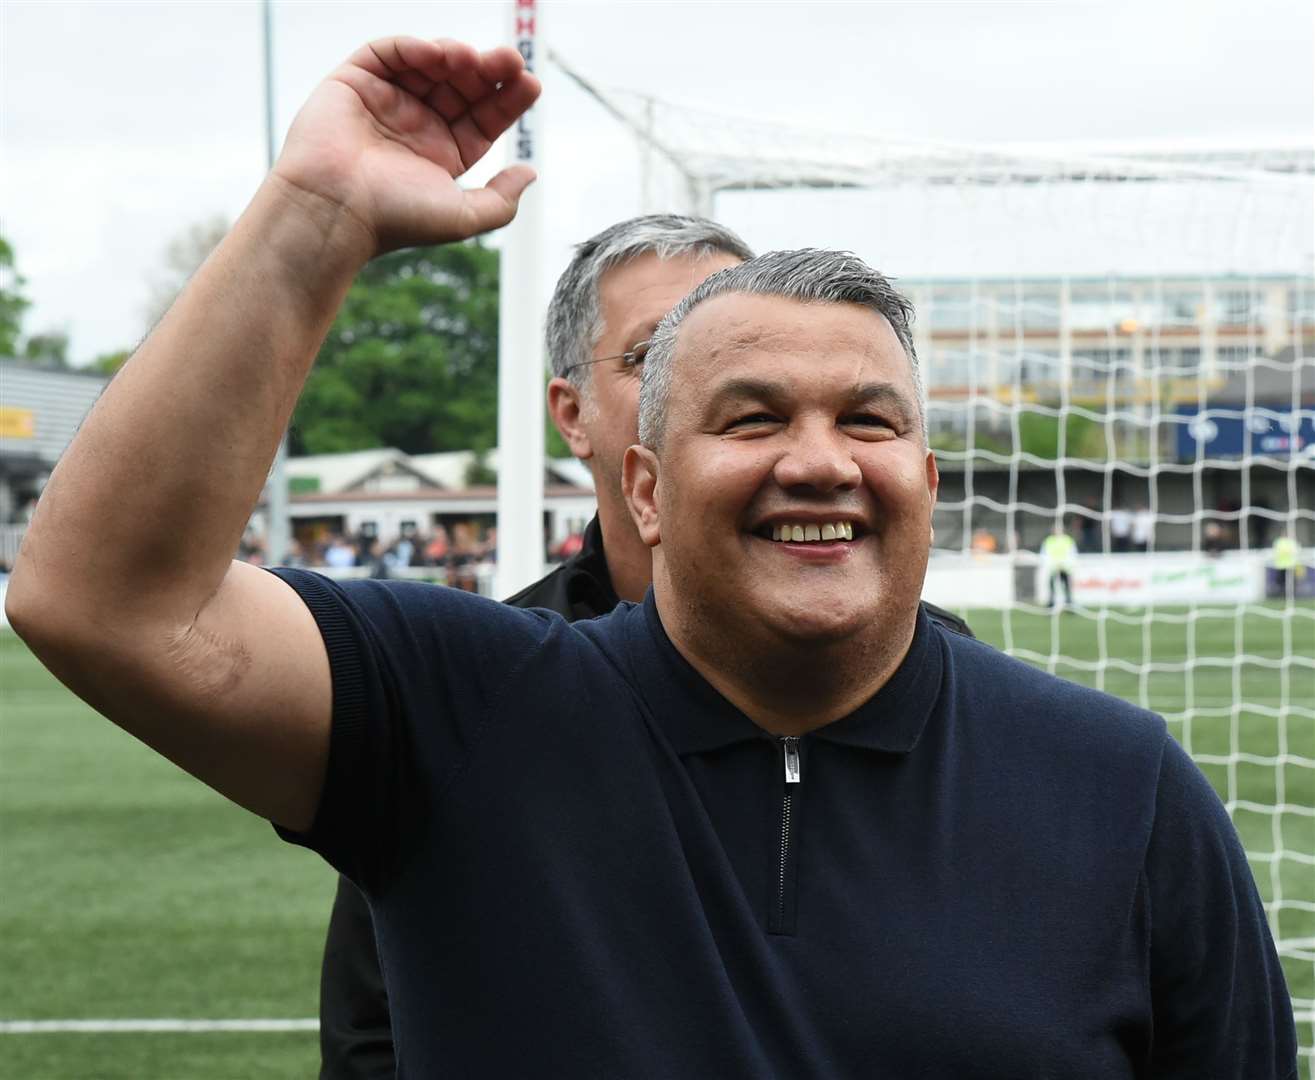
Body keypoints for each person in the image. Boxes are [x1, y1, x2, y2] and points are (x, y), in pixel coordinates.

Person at [6, 37, 1294, 1078]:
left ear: (926, 482)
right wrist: (316, 217)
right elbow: (99, 599)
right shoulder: (464, 717)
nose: (820, 460)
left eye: (869, 420)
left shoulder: (1121, 790)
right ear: (642, 483)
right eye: (750, 417)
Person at [321, 210, 976, 1077]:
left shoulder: (946, 683)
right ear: (573, 413)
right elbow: (376, 1033)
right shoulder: (479, 697)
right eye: (649, 352)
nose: (696, 365)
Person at [1041, 521, 1077, 610]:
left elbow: (1073, 553)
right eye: (1055, 529)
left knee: (1067, 587)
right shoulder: (1048, 540)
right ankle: (1051, 604)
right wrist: (1052, 563)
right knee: (1052, 587)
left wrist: (1065, 563)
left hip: (1065, 568)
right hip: (1053, 568)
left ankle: (1069, 605)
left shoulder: (1068, 540)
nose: (1056, 531)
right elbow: (1044, 554)